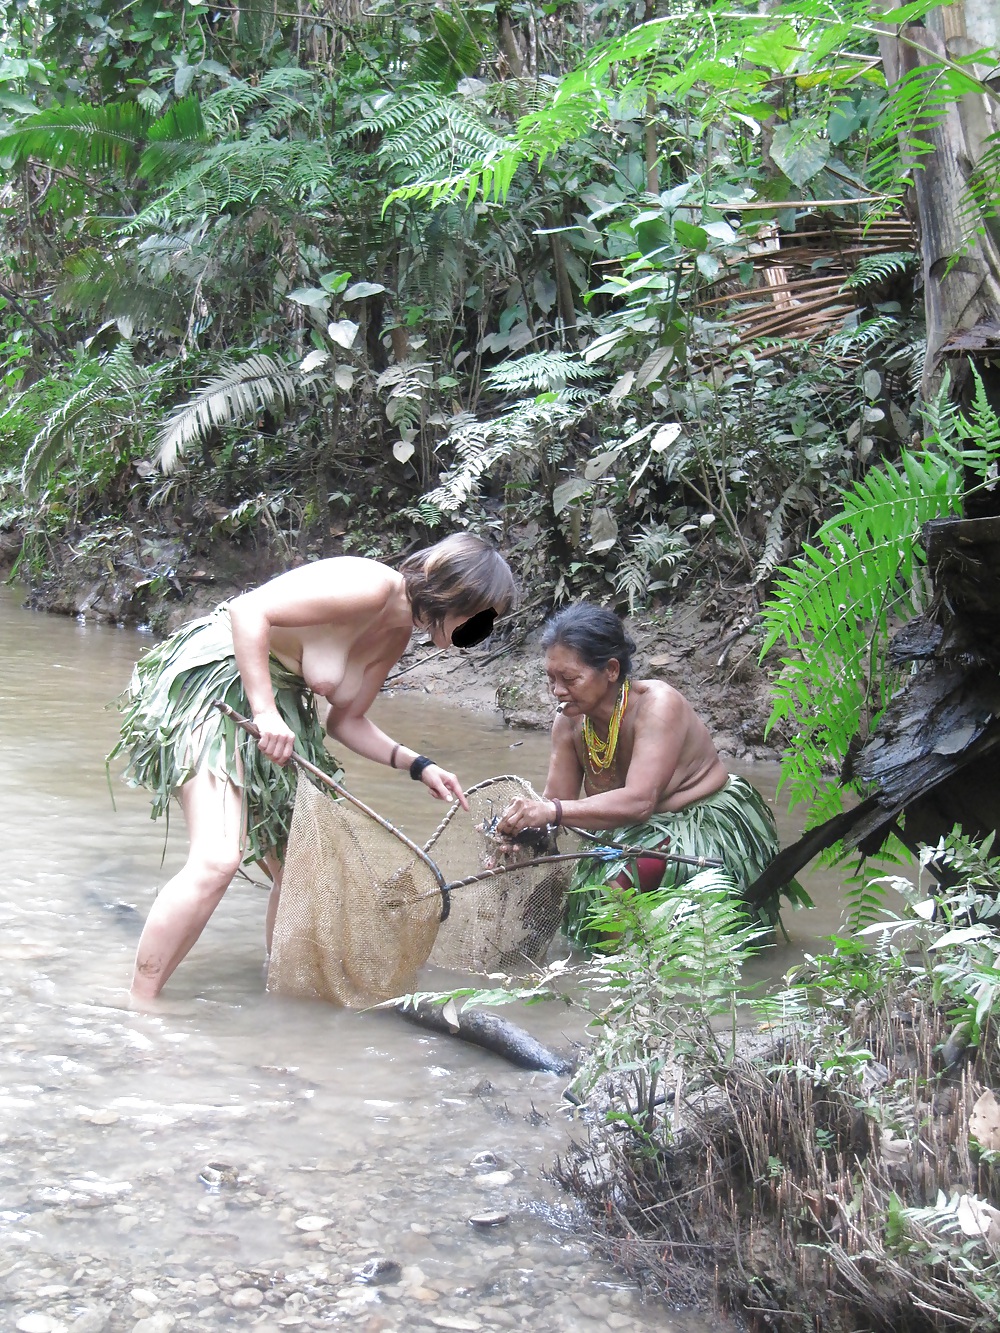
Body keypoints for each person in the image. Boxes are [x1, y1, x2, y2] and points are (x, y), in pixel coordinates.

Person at [112, 533, 516, 999]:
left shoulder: (397, 632)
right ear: (456, 593)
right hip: (221, 683)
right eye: (482, 618)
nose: (482, 631)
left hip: (279, 710)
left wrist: (419, 764)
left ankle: (278, 999)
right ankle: (139, 1009)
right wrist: (264, 712)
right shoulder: (372, 585)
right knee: (217, 858)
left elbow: (347, 721)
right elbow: (248, 612)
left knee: (299, 872)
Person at [495, 602, 805, 940]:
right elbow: (557, 805)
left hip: (695, 823)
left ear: (611, 670)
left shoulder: (657, 705)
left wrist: (550, 811)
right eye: (551, 679)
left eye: (569, 679)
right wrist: (520, 836)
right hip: (629, 829)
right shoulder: (569, 722)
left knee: (612, 895)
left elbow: (640, 803)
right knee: (562, 901)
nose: (556, 690)